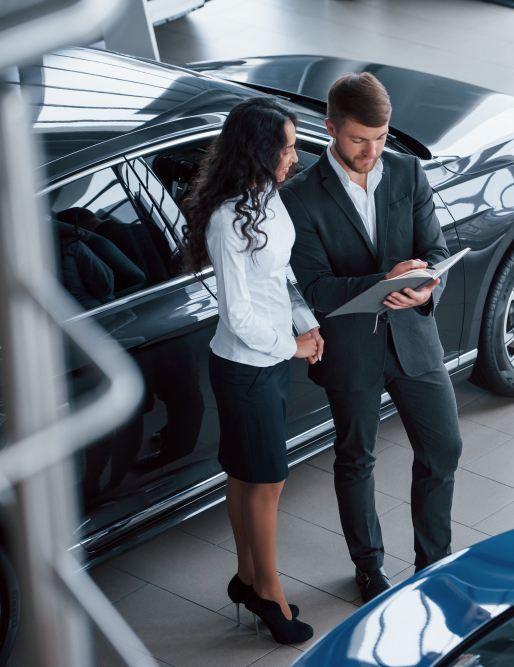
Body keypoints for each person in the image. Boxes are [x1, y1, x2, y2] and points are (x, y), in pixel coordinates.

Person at [282, 73, 463, 602]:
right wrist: (382, 283)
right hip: (350, 348)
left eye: (380, 138)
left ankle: (433, 564)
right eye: (360, 138)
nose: (372, 150)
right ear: (332, 128)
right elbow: (314, 286)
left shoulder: (408, 172)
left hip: (413, 337)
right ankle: (369, 568)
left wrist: (425, 288)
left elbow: (434, 249)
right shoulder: (299, 196)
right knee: (356, 457)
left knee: (443, 448)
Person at [180, 96, 323, 645]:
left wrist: (305, 323)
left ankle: (246, 577)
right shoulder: (225, 219)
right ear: (259, 151)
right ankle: (270, 594)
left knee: (245, 475)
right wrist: (291, 347)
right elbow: (237, 312)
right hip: (245, 367)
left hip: (269, 357)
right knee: (267, 481)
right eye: (286, 147)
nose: (295, 155)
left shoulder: (269, 197)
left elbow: (280, 278)